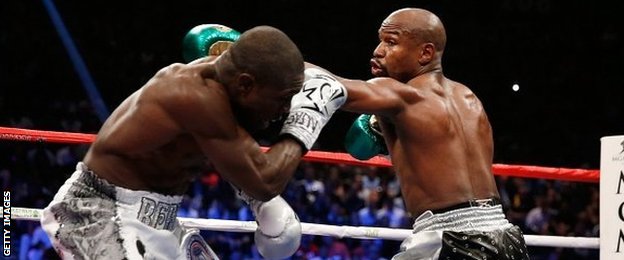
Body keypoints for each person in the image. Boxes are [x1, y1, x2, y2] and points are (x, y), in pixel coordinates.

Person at [40, 25, 347, 259]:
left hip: (156, 218)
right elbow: (265, 182)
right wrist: (307, 117)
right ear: (246, 84)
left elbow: (242, 156)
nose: (284, 111)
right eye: (282, 100)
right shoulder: (195, 96)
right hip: (98, 213)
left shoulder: (227, 94)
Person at [314, 8, 530, 259]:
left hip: (451, 240)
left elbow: (332, 86)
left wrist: (274, 59)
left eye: (391, 42)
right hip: (507, 238)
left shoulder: (403, 96)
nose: (378, 50)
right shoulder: (470, 98)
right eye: (380, 40)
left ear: (425, 53)